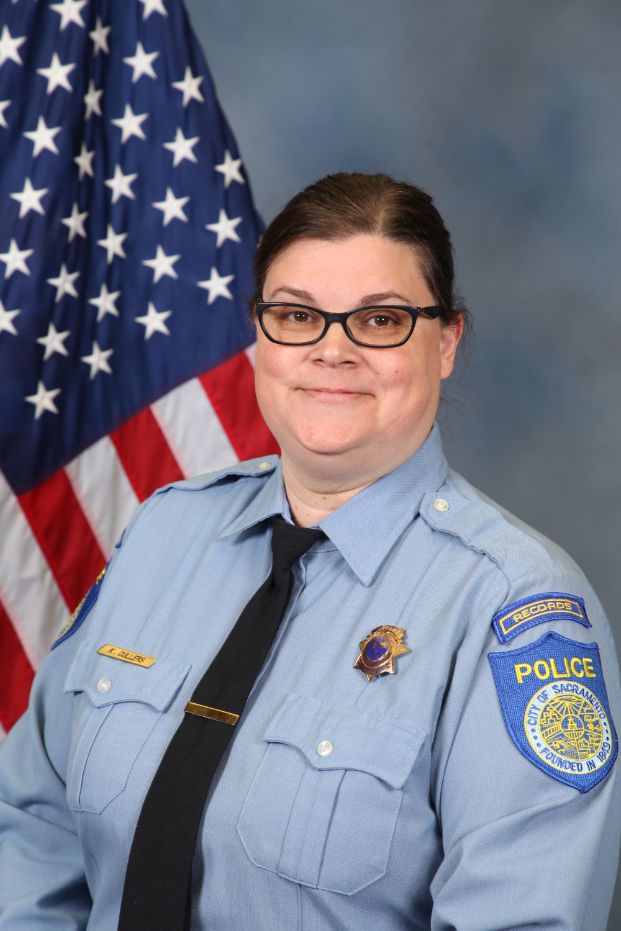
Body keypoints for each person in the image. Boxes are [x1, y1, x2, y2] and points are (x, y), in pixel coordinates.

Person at [0, 172, 619, 930]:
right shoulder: (165, 532)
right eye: (297, 315)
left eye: (381, 321)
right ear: (260, 333)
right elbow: (31, 824)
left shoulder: (512, 606)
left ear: (447, 340)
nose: (332, 350)